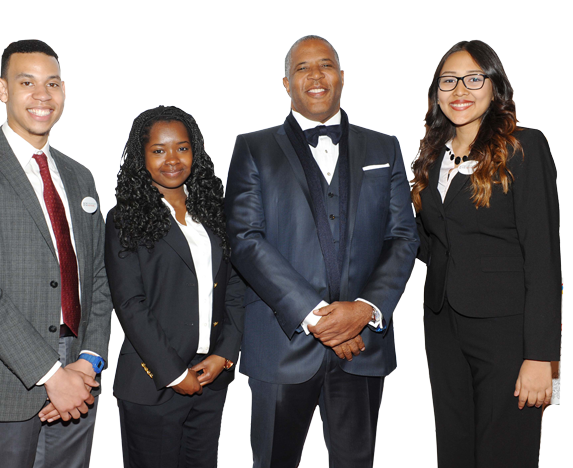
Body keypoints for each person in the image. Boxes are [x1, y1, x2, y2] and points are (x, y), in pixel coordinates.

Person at [224, 35, 419, 468]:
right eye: (302, 67)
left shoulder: (383, 148)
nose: (315, 75)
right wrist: (315, 316)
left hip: (362, 345)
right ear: (286, 83)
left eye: (326, 65)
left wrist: (364, 310)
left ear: (342, 78)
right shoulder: (253, 148)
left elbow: (403, 236)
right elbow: (244, 238)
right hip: (281, 345)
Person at [0, 38, 112, 468]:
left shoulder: (79, 176)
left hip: (79, 374)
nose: (42, 95)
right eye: (27, 82)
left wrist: (86, 365)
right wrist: (53, 376)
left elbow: (99, 279)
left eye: (52, 83)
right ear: (2, 90)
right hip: (6, 376)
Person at [411, 40, 561, 468]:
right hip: (442, 322)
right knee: (456, 448)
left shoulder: (523, 147)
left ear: (495, 87)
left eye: (474, 79)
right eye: (448, 81)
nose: (460, 90)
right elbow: (432, 240)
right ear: (436, 93)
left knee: (505, 451)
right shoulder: (430, 156)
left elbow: (543, 256)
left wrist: (539, 356)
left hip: (506, 329)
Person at [105, 105, 245, 468]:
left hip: (210, 380)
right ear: (142, 155)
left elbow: (233, 290)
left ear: (195, 151)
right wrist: (174, 373)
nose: (172, 159)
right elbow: (130, 304)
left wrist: (224, 354)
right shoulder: (124, 218)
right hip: (154, 382)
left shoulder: (214, 213)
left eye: (182, 148)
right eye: (158, 150)